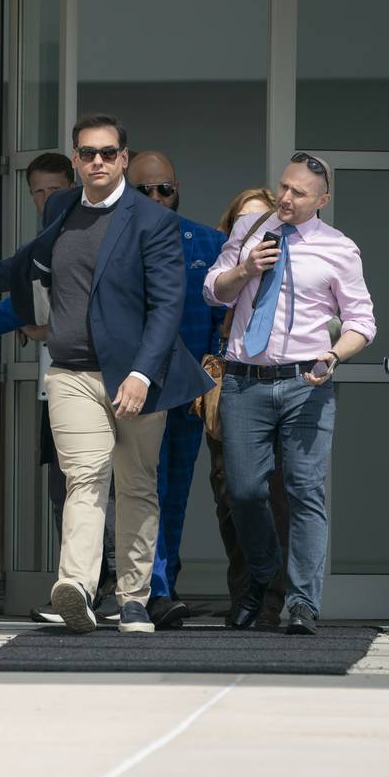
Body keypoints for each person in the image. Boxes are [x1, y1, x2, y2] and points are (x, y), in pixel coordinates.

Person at [0, 113, 213, 634]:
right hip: (72, 372)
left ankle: (133, 598)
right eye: (87, 153)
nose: (97, 161)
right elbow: (29, 265)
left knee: (136, 486)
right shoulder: (61, 207)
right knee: (85, 478)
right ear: (76, 158)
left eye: (107, 152)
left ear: (123, 157)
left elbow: (168, 306)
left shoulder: (153, 221)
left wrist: (142, 375)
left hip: (137, 378)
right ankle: (76, 586)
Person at [0, 153, 122, 625]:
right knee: (67, 492)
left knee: (114, 490)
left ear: (73, 187)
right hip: (59, 388)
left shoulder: (89, 232)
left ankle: (115, 590)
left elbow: (57, 305)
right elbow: (30, 295)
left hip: (106, 382)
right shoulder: (44, 244)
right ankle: (81, 590)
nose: (45, 200)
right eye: (37, 192)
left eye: (52, 190)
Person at [203, 152, 377, 635]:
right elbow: (212, 291)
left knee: (305, 493)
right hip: (244, 379)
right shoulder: (250, 231)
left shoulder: (339, 248)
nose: (285, 197)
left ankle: (302, 603)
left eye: (299, 193)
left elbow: (363, 321)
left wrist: (334, 356)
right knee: (243, 490)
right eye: (283, 186)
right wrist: (243, 270)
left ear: (322, 200)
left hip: (307, 383)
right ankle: (262, 572)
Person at [125, 151, 227, 629]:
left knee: (173, 492)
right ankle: (143, 588)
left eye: (163, 188)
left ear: (177, 188)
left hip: (186, 393)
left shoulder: (209, 243)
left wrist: (210, 378)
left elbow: (222, 320)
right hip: (127, 391)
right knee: (132, 490)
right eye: (145, 189)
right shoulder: (109, 237)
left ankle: (159, 586)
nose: (155, 197)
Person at [211, 188, 292, 626]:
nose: (258, 231)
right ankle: (243, 590)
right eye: (246, 223)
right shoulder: (223, 268)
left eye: (263, 222)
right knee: (230, 496)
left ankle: (270, 601)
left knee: (274, 494)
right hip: (224, 389)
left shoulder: (291, 270)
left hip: (276, 389)